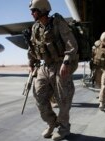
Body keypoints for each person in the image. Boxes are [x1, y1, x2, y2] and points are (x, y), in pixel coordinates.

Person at [28, 0, 78, 140]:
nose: (32, 13)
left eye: (34, 10)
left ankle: (64, 127)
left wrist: (66, 62)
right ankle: (51, 123)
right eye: (32, 11)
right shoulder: (35, 28)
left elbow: (71, 44)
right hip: (45, 66)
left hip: (60, 64)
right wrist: (31, 63)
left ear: (43, 9)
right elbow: (32, 48)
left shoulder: (58, 23)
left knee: (64, 98)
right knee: (39, 96)